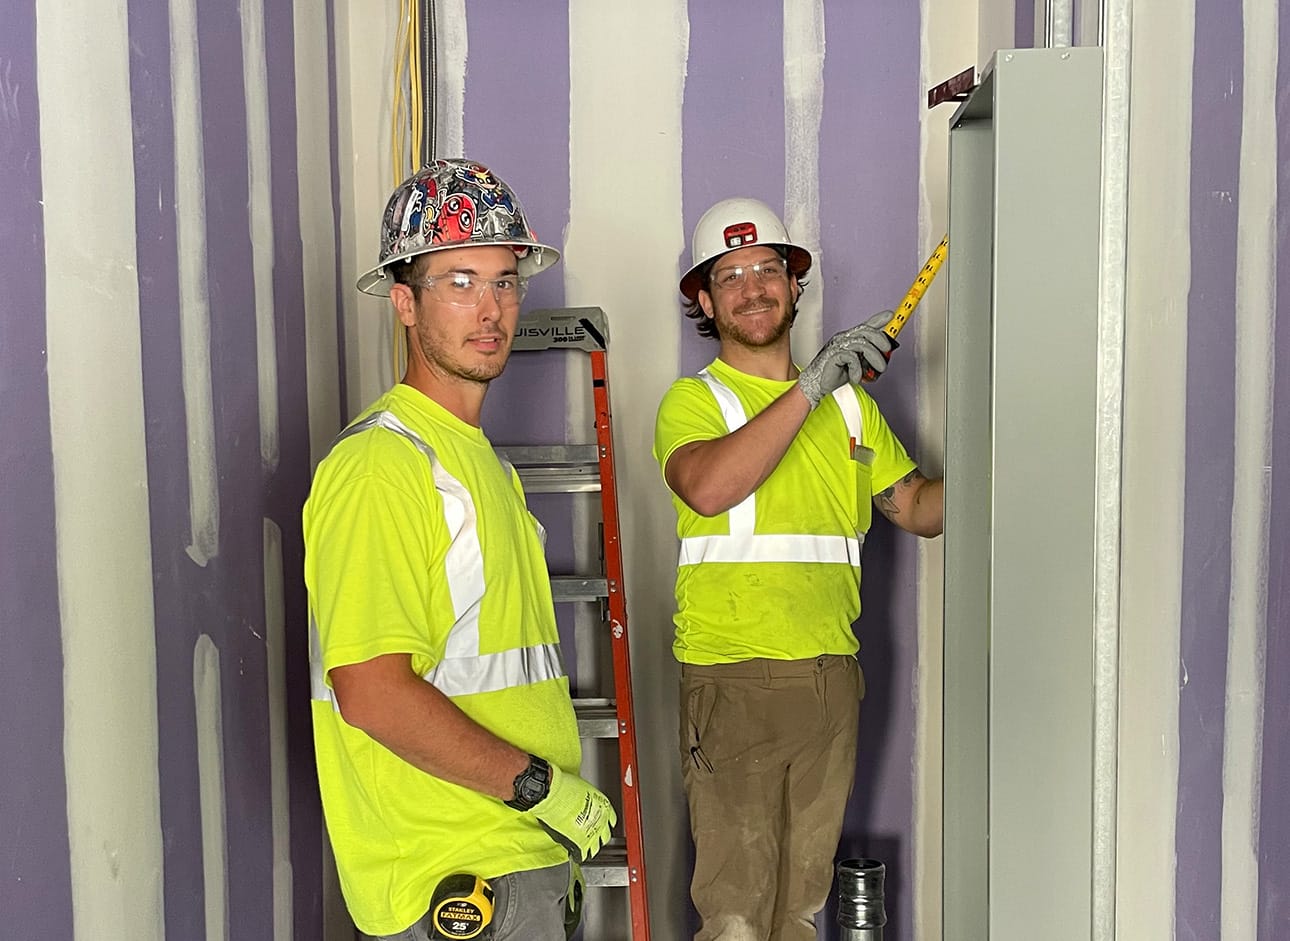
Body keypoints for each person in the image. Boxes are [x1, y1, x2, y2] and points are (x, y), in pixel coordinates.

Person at [304, 158, 614, 941]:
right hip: (455, 870)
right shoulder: (381, 466)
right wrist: (540, 787)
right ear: (405, 302)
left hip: (514, 858)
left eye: (506, 282)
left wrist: (541, 807)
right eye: (461, 281)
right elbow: (371, 691)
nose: (492, 308)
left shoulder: (481, 462)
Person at [652, 197, 944, 940]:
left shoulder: (850, 410)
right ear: (705, 299)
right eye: (731, 274)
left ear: (793, 284)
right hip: (733, 676)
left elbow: (917, 509)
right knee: (736, 916)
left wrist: (1009, 457)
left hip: (830, 679)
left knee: (799, 913)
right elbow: (709, 486)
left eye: (768, 269)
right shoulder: (696, 403)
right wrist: (808, 387)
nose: (753, 286)